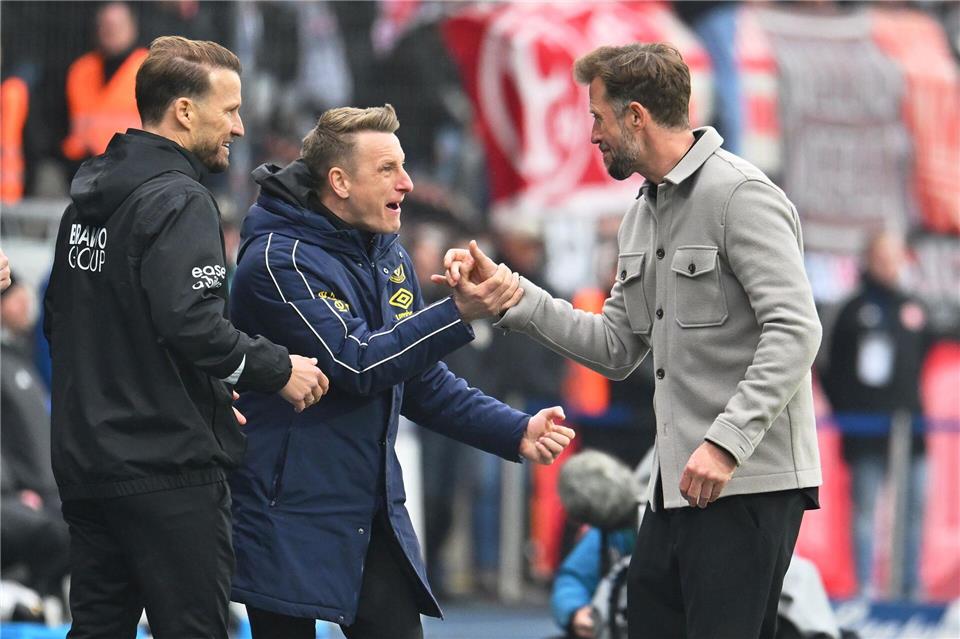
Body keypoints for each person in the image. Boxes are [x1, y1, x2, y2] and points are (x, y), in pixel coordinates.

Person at [439, 43, 823, 639]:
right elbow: (618, 347)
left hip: (747, 479)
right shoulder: (641, 213)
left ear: (636, 115)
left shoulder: (743, 195)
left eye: (597, 116)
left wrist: (726, 443)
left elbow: (796, 329)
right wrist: (516, 296)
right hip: (674, 485)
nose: (592, 133)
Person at [227, 104, 576, 639]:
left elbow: (417, 378)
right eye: (388, 169)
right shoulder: (278, 260)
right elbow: (357, 362)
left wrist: (513, 429)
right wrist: (457, 312)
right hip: (285, 513)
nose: (408, 184)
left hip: (369, 512)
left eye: (404, 166)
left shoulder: (386, 250)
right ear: (339, 182)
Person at [43, 36, 328, 638]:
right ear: (184, 111)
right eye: (229, 110)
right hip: (167, 470)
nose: (240, 124)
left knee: (95, 630)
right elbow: (193, 324)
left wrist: (195, 385)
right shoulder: (181, 199)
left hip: (88, 465)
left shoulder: (85, 202)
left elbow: (67, 321)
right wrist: (280, 370)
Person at [822, 230, 931, 599]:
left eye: (896, 257)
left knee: (913, 509)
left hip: (911, 428)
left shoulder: (913, 307)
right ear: (869, 259)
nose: (890, 265)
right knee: (866, 511)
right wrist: (848, 412)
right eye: (883, 257)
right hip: (865, 430)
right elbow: (829, 366)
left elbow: (923, 357)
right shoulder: (851, 310)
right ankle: (865, 588)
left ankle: (908, 587)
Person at [1, 272, 70, 609]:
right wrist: (11, 489)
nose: (26, 304)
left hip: (47, 491)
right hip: (15, 495)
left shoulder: (21, 358)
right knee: (56, 535)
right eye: (16, 297)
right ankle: (25, 595)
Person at [61, 2, 148, 164]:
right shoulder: (81, 69)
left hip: (133, 165)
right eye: (106, 25)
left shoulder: (149, 67)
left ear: (132, 27)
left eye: (117, 25)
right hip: (81, 166)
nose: (111, 31)